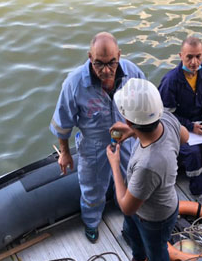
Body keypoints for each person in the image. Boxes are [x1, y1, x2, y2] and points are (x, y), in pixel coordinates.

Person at [50, 32, 146, 243]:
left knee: (132, 179)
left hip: (127, 140)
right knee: (92, 188)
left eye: (111, 63)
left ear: (119, 55)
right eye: (98, 64)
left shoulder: (133, 73)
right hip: (94, 145)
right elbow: (63, 122)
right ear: (89, 58)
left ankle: (128, 212)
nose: (106, 70)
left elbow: (145, 104)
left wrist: (139, 133)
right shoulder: (74, 84)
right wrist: (65, 153)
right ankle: (92, 221)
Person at [106, 78, 189, 261]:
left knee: (157, 250)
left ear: (128, 120)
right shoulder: (168, 118)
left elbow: (127, 207)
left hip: (154, 218)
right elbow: (185, 137)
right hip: (146, 205)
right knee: (132, 233)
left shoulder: (147, 164)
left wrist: (115, 164)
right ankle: (139, 258)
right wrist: (133, 132)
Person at [158, 36, 202, 202]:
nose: (194, 62)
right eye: (189, 57)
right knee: (193, 152)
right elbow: (166, 115)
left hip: (199, 122)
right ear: (180, 56)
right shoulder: (171, 81)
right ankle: (197, 192)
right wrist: (190, 126)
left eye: (198, 56)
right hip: (177, 128)